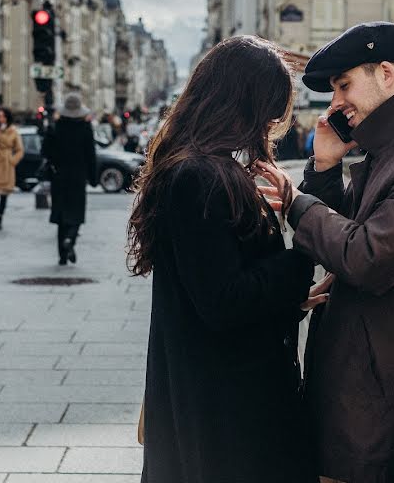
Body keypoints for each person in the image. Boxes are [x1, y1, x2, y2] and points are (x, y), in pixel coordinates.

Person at [255, 22, 394, 483]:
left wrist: (299, 204)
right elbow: (345, 238)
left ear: (385, 74)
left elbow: (367, 256)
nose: (335, 103)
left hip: (378, 415)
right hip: (353, 394)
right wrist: (324, 166)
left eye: (343, 86)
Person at [128, 35, 326, 483]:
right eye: (269, 111)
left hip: (211, 401)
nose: (271, 124)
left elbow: (216, 289)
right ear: (243, 104)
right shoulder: (198, 177)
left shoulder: (196, 169)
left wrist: (289, 299)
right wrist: (300, 261)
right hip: (226, 414)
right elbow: (223, 301)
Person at [42, 93, 97, 265]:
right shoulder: (85, 128)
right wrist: (93, 177)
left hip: (59, 176)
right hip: (78, 176)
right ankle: (70, 239)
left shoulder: (56, 127)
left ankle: (62, 256)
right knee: (77, 212)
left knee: (61, 215)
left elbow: (45, 152)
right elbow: (91, 155)